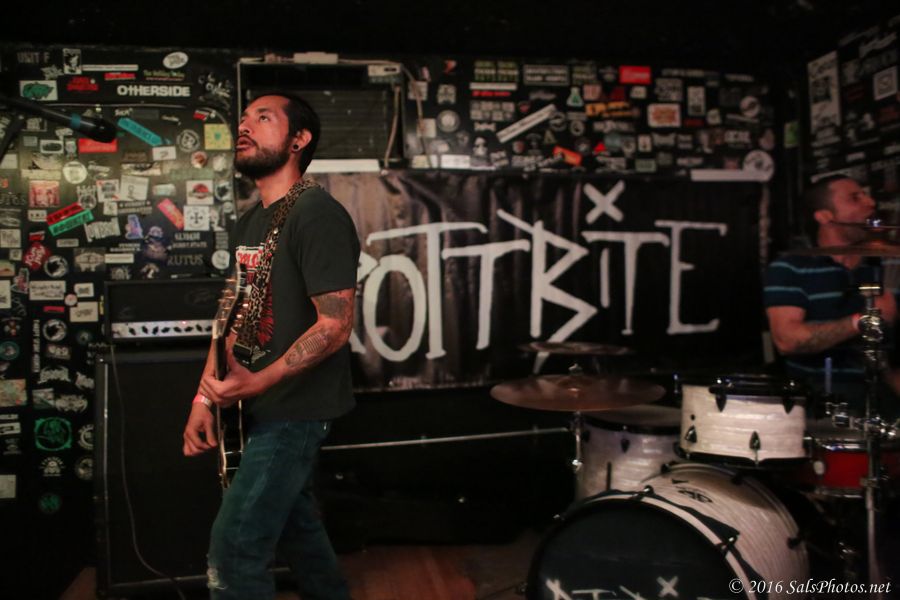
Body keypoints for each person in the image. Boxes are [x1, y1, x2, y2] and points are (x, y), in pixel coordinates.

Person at [182, 92, 359, 600]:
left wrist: (259, 380)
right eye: (243, 119)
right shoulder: (251, 221)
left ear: (299, 140)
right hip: (253, 407)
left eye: (263, 118)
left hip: (295, 409)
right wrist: (203, 397)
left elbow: (335, 325)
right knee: (298, 531)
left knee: (236, 548)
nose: (245, 127)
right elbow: (231, 317)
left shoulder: (316, 214)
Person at [764, 175, 898, 413]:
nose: (870, 202)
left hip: (884, 398)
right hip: (819, 402)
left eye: (866, 195)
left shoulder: (889, 266)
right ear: (825, 216)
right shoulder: (791, 268)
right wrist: (863, 320)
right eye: (855, 198)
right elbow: (787, 340)